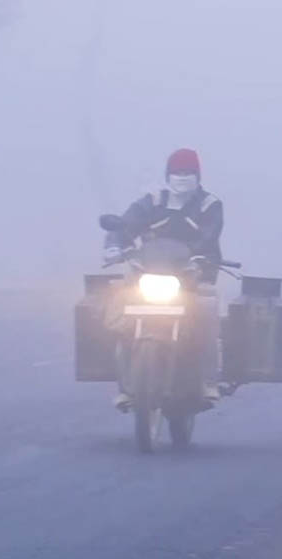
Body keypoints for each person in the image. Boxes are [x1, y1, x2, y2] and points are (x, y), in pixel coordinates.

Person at [103, 148, 224, 410]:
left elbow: (209, 236)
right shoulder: (152, 201)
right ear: (167, 175)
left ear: (198, 175)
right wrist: (114, 246)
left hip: (192, 275)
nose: (182, 177)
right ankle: (125, 387)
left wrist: (200, 258)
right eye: (177, 172)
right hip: (147, 274)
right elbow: (125, 225)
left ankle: (208, 381)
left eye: (188, 172)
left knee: (207, 309)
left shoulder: (209, 205)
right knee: (118, 307)